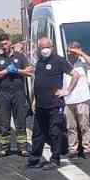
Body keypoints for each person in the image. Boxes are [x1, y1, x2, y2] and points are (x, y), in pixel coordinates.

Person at [27, 36, 76, 169]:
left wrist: (67, 91)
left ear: (52, 47)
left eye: (47, 47)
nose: (45, 50)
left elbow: (75, 74)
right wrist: (34, 100)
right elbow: (38, 83)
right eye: (42, 48)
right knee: (38, 133)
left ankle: (55, 159)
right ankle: (34, 159)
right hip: (40, 104)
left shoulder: (59, 60)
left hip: (55, 104)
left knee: (55, 132)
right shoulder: (39, 62)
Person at [0, 34, 33, 157]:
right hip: (3, 94)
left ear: (10, 42)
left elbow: (29, 72)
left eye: (6, 43)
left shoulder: (20, 57)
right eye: (2, 44)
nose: (4, 46)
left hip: (18, 93)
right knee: (4, 123)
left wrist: (17, 70)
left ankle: (22, 148)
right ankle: (4, 148)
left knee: (20, 121)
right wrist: (6, 71)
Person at [63, 41, 90, 159]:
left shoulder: (82, 62)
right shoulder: (64, 63)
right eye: (68, 50)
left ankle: (87, 149)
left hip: (82, 98)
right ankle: (73, 150)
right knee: (70, 127)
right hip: (68, 99)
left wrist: (81, 53)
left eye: (72, 51)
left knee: (84, 125)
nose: (70, 53)